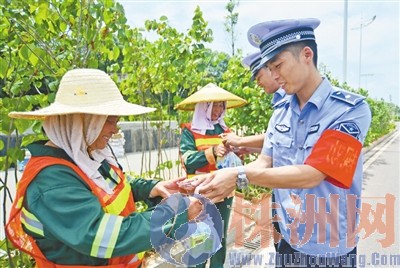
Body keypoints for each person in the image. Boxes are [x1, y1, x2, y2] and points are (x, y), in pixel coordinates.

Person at [195, 18, 372, 267]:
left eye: (278, 65)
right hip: (288, 236)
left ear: (306, 55)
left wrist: (239, 176)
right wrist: (216, 179)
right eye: (270, 68)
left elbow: (314, 174)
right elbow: (265, 161)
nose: (275, 76)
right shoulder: (281, 112)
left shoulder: (350, 111)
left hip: (329, 247)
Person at [6, 68, 203, 267]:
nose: (115, 129)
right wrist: (175, 214)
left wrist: (151, 187)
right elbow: (101, 236)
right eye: (109, 121)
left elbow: (114, 186)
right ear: (81, 121)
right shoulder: (52, 181)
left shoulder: (85, 156)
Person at [175, 83, 247, 268]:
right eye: (214, 105)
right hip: (199, 193)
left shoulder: (226, 131)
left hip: (224, 192)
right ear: (204, 107)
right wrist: (213, 152)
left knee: (219, 236)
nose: (218, 110)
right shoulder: (190, 131)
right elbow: (188, 160)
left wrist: (238, 154)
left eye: (221, 105)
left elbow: (234, 161)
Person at [221, 51, 285, 152]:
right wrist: (250, 149)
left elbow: (280, 136)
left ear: (270, 70)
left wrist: (240, 140)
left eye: (259, 78)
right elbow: (279, 147)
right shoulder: (279, 99)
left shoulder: (290, 96)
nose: (258, 84)